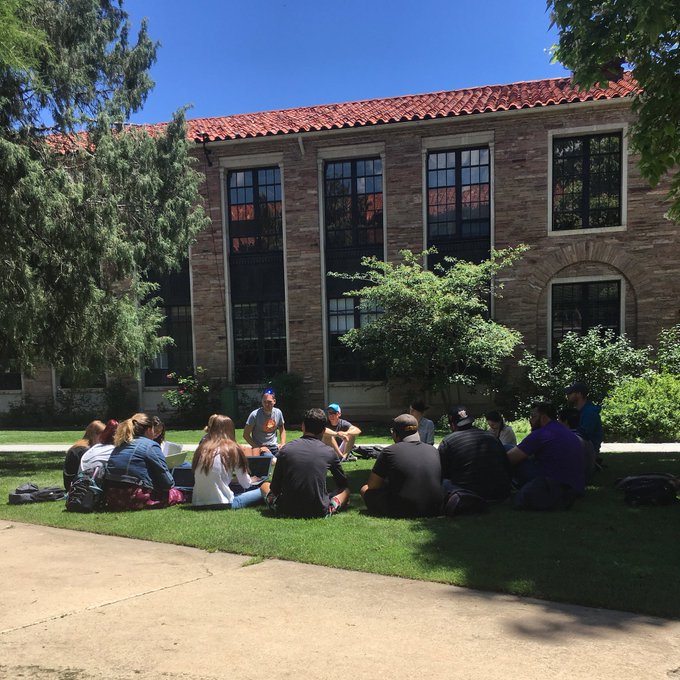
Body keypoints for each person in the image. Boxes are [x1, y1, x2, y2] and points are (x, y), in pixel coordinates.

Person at [266, 408, 349, 518]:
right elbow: (342, 483)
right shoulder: (329, 452)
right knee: (346, 491)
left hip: (286, 509)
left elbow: (275, 487)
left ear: (303, 426)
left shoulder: (286, 450)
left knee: (264, 486)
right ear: (324, 430)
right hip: (319, 510)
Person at [360, 414, 443, 518]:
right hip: (434, 508)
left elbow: (372, 486)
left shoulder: (389, 452)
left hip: (401, 509)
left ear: (395, 433)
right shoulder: (433, 450)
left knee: (364, 489)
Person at [507, 402, 585, 510]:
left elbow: (509, 459)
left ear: (543, 418)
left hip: (552, 485)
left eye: (533, 417)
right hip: (575, 486)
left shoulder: (542, 433)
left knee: (506, 450)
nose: (530, 420)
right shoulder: (566, 431)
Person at [103, 412, 179, 511]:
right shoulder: (150, 445)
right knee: (177, 494)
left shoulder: (121, 444)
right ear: (149, 430)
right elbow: (167, 482)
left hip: (112, 498)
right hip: (134, 498)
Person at [192, 414, 269, 509]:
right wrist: (252, 480)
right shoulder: (232, 449)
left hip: (197, 502)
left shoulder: (202, 448)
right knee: (264, 487)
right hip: (222, 502)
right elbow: (246, 484)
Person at [439, 407, 511, 502]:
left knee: (443, 482)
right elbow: (506, 465)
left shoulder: (448, 441)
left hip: (468, 495)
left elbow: (442, 472)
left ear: (452, 425)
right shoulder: (491, 437)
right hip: (500, 493)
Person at [62, 420, 105, 490]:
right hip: (76, 486)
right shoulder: (85, 450)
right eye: (102, 434)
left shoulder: (79, 445)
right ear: (94, 435)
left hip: (70, 483)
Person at [564, 382, 603, 457]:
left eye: (570, 393)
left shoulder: (590, 412)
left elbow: (584, 435)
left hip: (586, 455)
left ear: (579, 394)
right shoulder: (579, 411)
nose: (567, 395)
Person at [558, 406, 596, 482]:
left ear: (565, 421)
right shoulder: (585, 438)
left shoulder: (567, 439)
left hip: (571, 481)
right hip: (586, 478)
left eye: (559, 420)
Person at [243, 388, 286, 456]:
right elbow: (246, 435)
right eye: (264, 402)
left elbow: (282, 429)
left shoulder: (278, 413)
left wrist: (282, 443)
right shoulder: (254, 415)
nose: (266, 404)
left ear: (274, 401)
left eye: (269, 402)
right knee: (271, 458)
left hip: (274, 446)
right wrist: (257, 447)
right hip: (261, 448)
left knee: (287, 456)